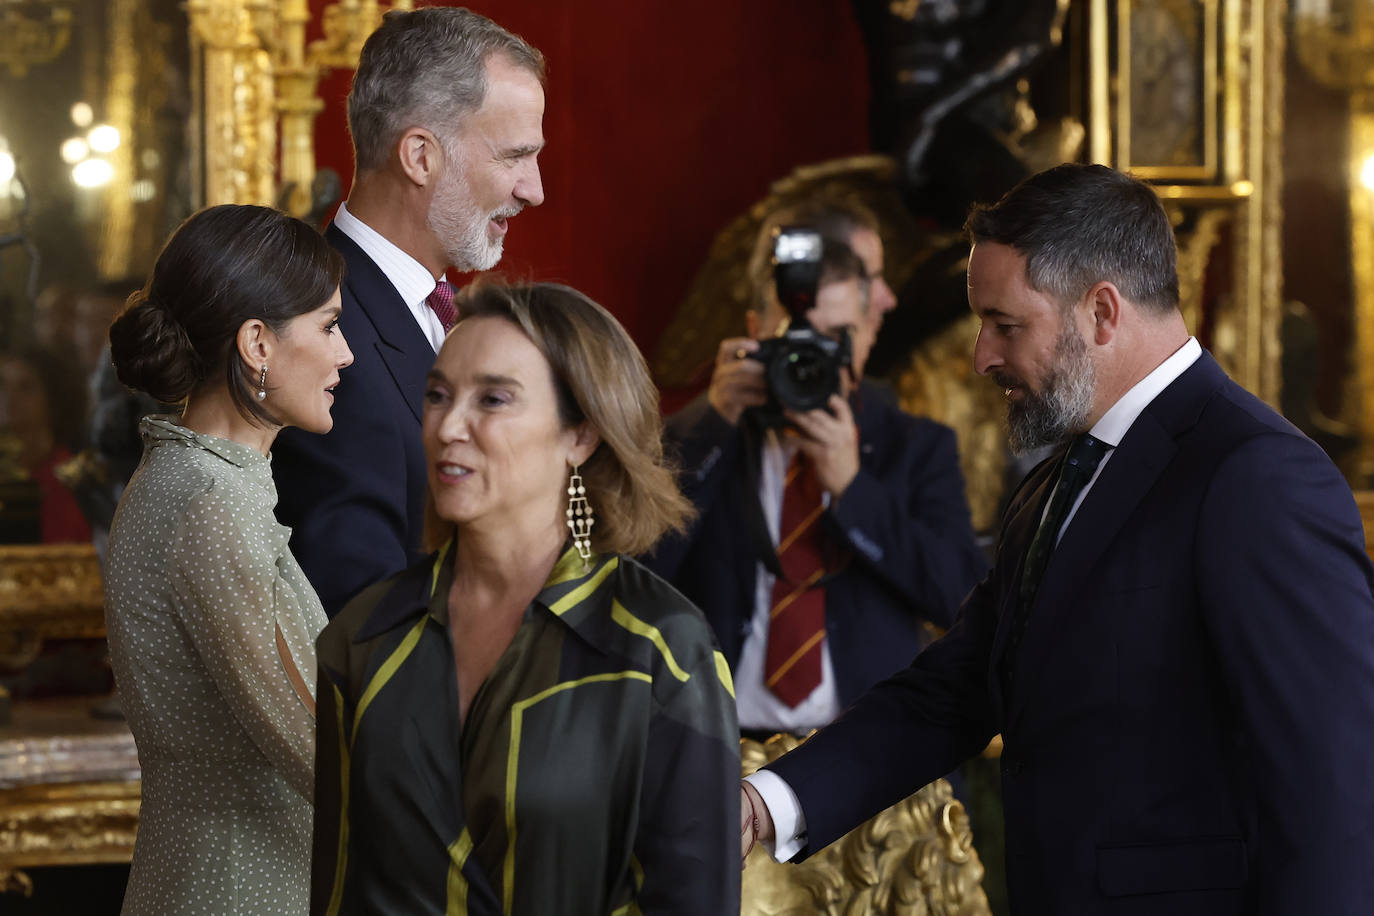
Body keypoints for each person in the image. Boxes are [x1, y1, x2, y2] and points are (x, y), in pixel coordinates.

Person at [741, 164, 1374, 913]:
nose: (981, 356)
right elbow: (958, 688)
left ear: (1102, 312)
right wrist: (765, 802)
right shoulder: (1060, 476)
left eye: (1006, 325)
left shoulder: (1258, 477)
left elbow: (1334, 791)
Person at [312, 281, 740, 915]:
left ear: (581, 434)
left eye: (493, 399)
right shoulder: (361, 637)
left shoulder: (663, 650)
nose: (448, 426)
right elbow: (337, 892)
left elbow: (691, 902)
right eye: (437, 395)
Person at [648, 199, 985, 738]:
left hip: (865, 753)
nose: (812, 356)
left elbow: (963, 599)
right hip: (715, 748)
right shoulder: (695, 441)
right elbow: (635, 574)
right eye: (794, 337)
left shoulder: (916, 448)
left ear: (867, 334)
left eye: (834, 338)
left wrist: (854, 490)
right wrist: (713, 424)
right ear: (755, 333)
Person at [103, 204, 353, 915]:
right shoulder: (215, 502)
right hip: (242, 891)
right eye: (328, 326)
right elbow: (319, 755)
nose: (345, 354)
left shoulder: (189, 479)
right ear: (257, 343)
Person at [273, 7, 547, 617]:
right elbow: (361, 617)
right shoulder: (318, 334)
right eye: (514, 156)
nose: (534, 189)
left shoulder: (447, 314)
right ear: (420, 157)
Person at [0, 345, 92, 543]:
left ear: (53, 399)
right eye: (3, 385)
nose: (8, 397)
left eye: (25, 387)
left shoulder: (69, 480)